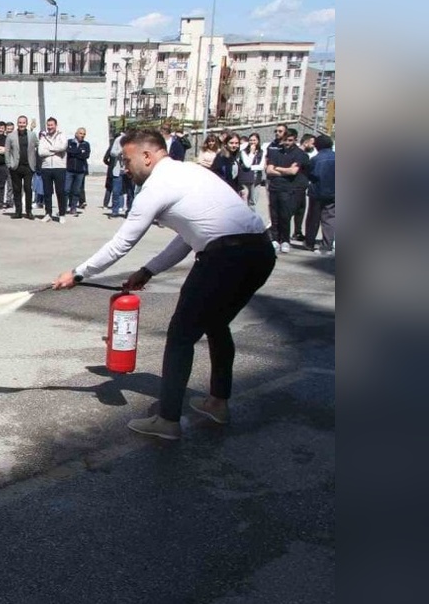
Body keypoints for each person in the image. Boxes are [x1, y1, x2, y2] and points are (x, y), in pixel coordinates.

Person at [52, 128, 275, 441]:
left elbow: (121, 243)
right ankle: (217, 403)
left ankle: (168, 419)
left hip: (225, 258)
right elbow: (189, 236)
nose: (123, 168)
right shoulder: (191, 173)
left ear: (147, 155)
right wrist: (148, 270)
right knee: (217, 324)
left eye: (127, 160)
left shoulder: (156, 186)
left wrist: (78, 273)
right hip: (260, 253)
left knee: (181, 336)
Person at [264, 129, 310, 253]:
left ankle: (285, 240)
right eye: (285, 140)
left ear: (295, 139)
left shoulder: (299, 154)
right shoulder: (276, 152)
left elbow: (293, 171)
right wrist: (284, 170)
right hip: (274, 187)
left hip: (288, 189)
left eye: (290, 140)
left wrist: (277, 168)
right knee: (274, 215)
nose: (287, 143)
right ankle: (275, 239)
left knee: (285, 216)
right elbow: (268, 170)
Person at [305, 135, 335, 254]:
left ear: (317, 146)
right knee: (330, 218)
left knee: (313, 218)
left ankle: (309, 243)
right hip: (334, 192)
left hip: (317, 192)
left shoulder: (315, 159)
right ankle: (326, 245)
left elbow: (311, 174)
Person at [5, 116, 37, 219]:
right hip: (16, 167)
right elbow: (7, 151)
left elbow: (38, 145)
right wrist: (9, 164)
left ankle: (29, 211)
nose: (21, 124)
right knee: (16, 189)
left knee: (28, 189)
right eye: (20, 122)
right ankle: (18, 211)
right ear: (17, 123)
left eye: (23, 123)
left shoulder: (32, 135)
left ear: (26, 123)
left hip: (28, 166)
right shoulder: (11, 136)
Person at [37, 117, 68, 223]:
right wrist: (54, 151)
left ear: (56, 125)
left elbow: (63, 146)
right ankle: (48, 213)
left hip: (59, 167)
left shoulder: (61, 135)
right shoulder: (43, 137)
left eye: (52, 125)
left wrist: (49, 149)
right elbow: (41, 152)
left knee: (60, 192)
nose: (50, 127)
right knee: (47, 192)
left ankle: (62, 214)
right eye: (48, 125)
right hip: (46, 167)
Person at [65, 127, 91, 216]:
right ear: (76, 134)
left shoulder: (86, 144)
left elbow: (86, 155)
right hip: (69, 170)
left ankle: (73, 208)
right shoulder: (69, 142)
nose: (82, 135)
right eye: (80, 133)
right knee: (66, 190)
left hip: (80, 171)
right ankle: (63, 208)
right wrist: (79, 152)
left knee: (76, 191)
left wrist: (75, 153)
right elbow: (68, 151)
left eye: (84, 134)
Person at [239, 133, 265, 211]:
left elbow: (261, 166)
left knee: (253, 201)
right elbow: (247, 164)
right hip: (246, 179)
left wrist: (250, 167)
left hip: (256, 179)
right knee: (244, 200)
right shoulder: (244, 151)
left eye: (254, 140)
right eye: (250, 140)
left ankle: (252, 218)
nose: (252, 142)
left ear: (258, 141)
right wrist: (251, 153)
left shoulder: (262, 151)